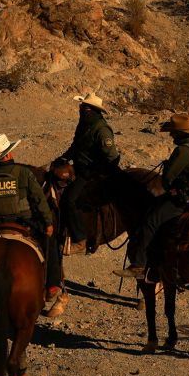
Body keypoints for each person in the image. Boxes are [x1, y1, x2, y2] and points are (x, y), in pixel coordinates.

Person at [118, 114, 189, 279]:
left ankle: (138, 265)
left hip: (188, 197)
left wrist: (174, 187)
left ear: (180, 133)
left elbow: (167, 179)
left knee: (151, 220)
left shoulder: (183, 150)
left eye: (173, 132)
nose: (171, 135)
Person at [0, 133, 59, 305]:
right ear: (8, 154)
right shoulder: (23, 173)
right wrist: (47, 223)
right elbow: (39, 199)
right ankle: (52, 285)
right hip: (24, 221)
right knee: (50, 242)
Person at [58, 91, 121, 254]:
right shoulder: (84, 124)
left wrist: (96, 172)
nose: (81, 109)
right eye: (81, 106)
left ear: (91, 110)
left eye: (84, 107)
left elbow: (112, 157)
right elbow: (76, 146)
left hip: (91, 172)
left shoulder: (102, 129)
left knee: (69, 200)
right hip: (79, 167)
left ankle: (80, 239)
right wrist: (64, 158)